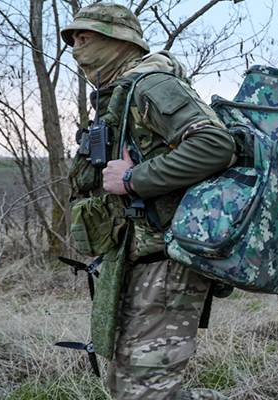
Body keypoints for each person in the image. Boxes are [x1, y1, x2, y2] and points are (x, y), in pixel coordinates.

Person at [62, 3, 235, 399]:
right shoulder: (118, 95)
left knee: (145, 389)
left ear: (120, 40)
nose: (76, 47)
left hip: (166, 264)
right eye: (72, 39)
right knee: (128, 384)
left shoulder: (152, 85)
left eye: (86, 36)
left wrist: (133, 180)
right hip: (136, 260)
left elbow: (215, 145)